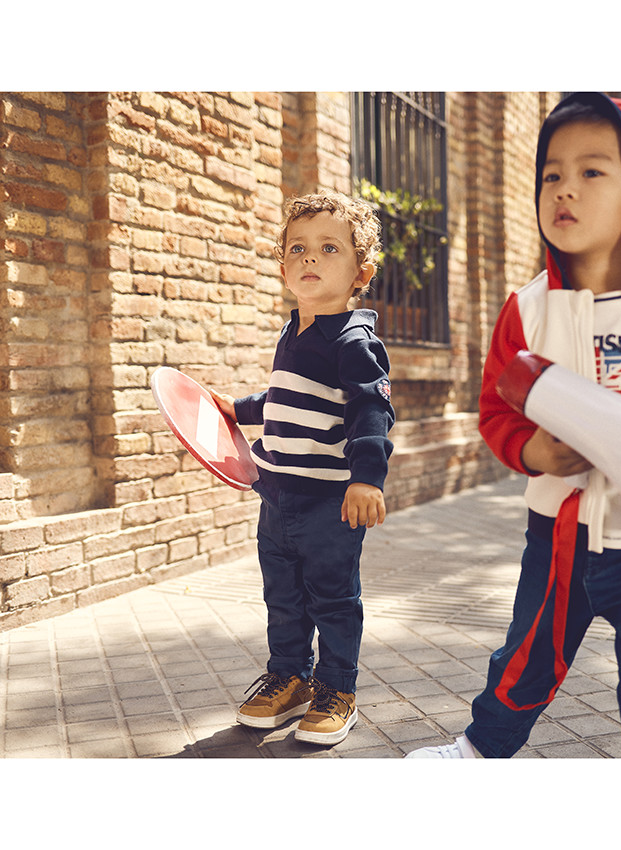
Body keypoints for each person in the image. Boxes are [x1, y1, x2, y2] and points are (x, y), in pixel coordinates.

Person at [406, 92, 621, 759]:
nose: (564, 189)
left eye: (592, 171)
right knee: (526, 657)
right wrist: (532, 450)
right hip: (561, 530)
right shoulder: (528, 307)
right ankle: (478, 752)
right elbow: (495, 411)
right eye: (552, 174)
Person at [212, 190, 394, 746]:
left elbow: (371, 410)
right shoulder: (293, 332)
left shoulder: (354, 341)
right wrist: (235, 410)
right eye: (298, 248)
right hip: (277, 497)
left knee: (333, 600)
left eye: (329, 248)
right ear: (283, 268)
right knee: (284, 597)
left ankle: (336, 691)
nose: (310, 257)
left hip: (328, 503)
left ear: (361, 273)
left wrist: (367, 479)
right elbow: (281, 399)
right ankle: (290, 679)